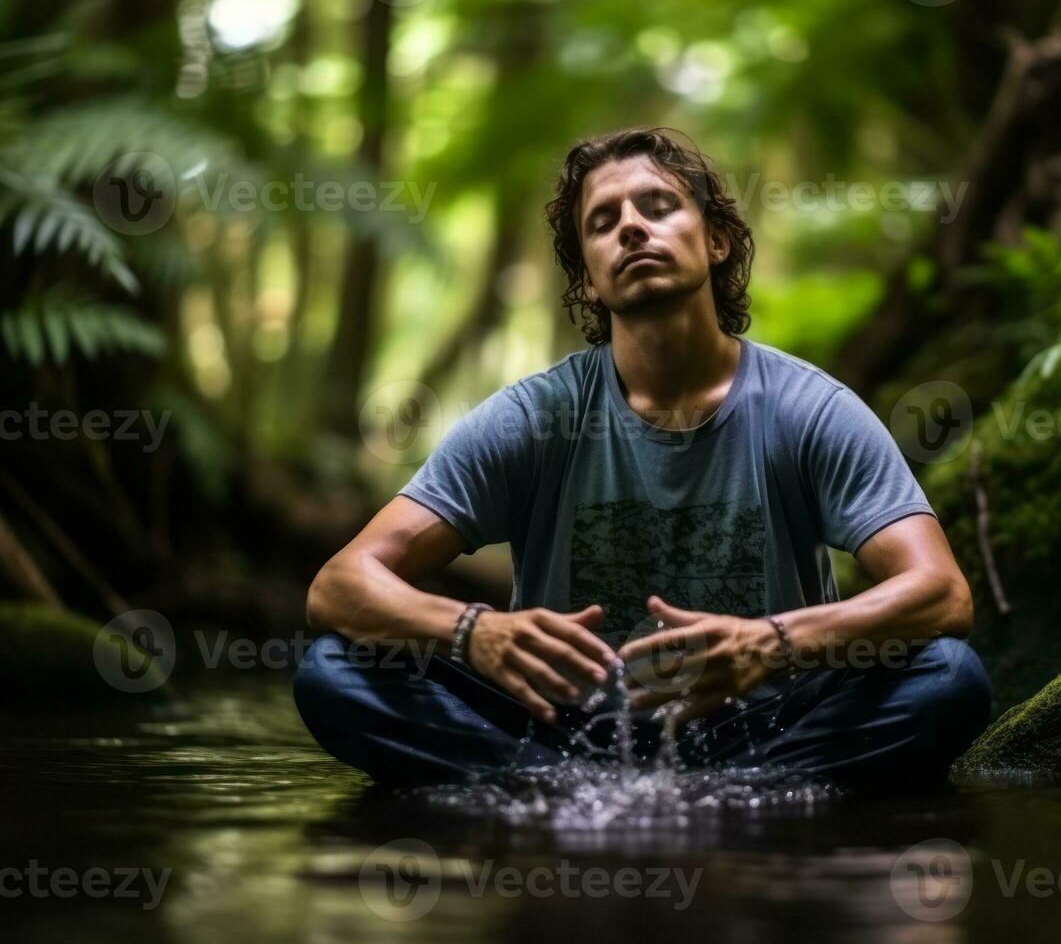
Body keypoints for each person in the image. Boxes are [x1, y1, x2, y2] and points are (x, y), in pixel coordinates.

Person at [294, 127, 992, 793]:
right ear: (590, 280)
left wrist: (772, 643)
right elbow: (339, 586)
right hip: (556, 732)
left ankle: (735, 790)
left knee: (945, 677)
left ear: (716, 240)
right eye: (602, 223)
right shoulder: (537, 417)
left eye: (657, 206)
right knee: (334, 670)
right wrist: (472, 632)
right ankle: (556, 790)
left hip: (764, 721)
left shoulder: (808, 409)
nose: (630, 226)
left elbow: (941, 593)